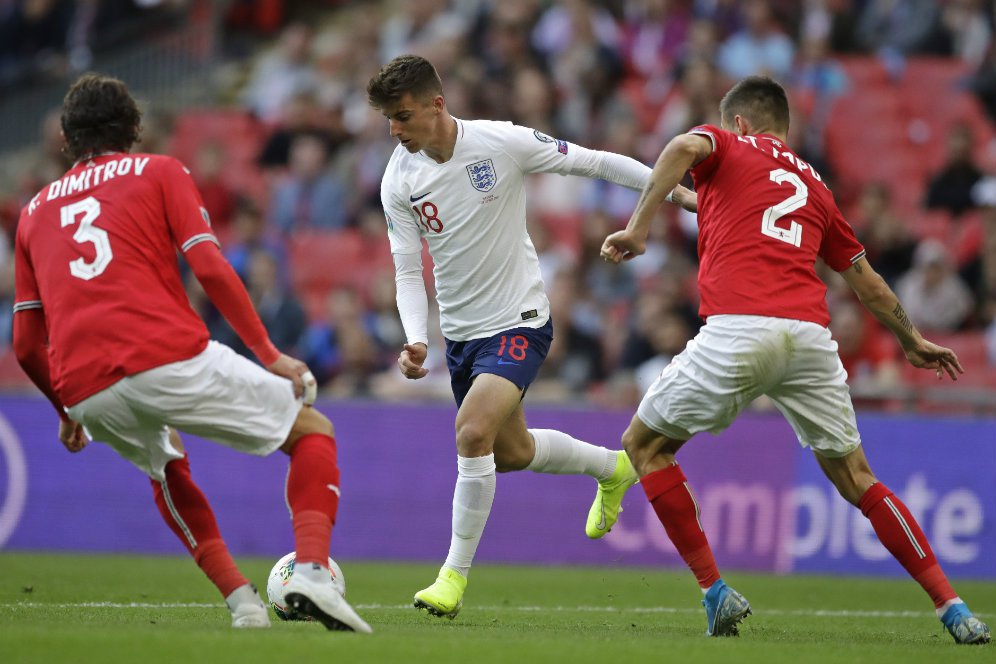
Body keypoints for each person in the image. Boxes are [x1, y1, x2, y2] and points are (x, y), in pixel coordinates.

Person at [600, 75, 990, 645]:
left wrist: (638, 229)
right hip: (810, 339)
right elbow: (868, 282)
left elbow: (682, 148)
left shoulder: (726, 145)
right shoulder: (815, 186)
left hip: (738, 329)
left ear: (738, 123)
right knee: (859, 479)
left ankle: (715, 590)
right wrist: (912, 340)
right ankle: (953, 607)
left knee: (644, 446)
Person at [11, 73, 370, 633]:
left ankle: (244, 606)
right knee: (312, 432)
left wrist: (64, 410)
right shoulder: (159, 171)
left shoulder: (33, 212)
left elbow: (26, 343)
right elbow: (208, 266)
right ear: (134, 128)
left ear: (66, 137)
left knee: (165, 464)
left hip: (84, 387)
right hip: (162, 354)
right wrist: (268, 352)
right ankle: (313, 573)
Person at [366, 54, 694, 619]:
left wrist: (672, 192)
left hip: (520, 319)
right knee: (509, 452)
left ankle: (451, 578)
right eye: (389, 120)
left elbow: (593, 162)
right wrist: (417, 337)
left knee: (471, 435)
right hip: (463, 337)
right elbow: (404, 268)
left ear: (437, 105)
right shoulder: (399, 178)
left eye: (402, 116)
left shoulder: (499, 143)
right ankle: (612, 468)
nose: (394, 130)